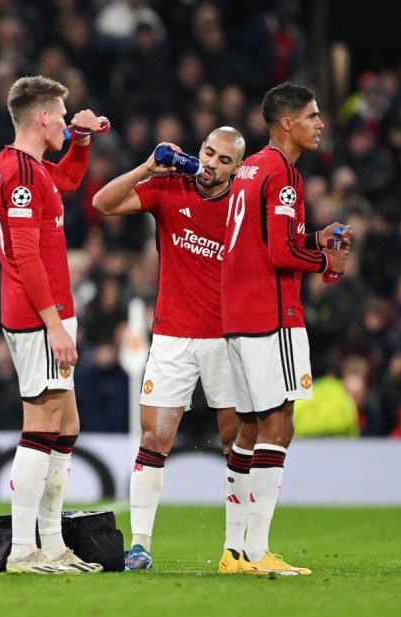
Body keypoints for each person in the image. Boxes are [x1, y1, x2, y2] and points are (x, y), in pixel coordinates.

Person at [93, 127, 256, 570]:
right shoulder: (169, 186)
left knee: (235, 441)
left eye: (224, 160)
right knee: (153, 440)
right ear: (198, 150)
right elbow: (102, 205)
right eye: (208, 153)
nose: (212, 163)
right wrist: (149, 166)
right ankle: (141, 546)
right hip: (172, 337)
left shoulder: (245, 203)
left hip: (228, 339)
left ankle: (235, 547)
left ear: (237, 167)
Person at [221, 82, 352, 575]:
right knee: (279, 422)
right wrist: (326, 259)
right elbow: (280, 254)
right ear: (287, 124)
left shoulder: (249, 169)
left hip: (237, 314)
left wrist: (314, 237)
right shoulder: (284, 173)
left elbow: (265, 239)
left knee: (250, 427)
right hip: (271, 314)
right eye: (313, 116)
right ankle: (257, 552)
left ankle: (234, 552)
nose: (320, 124)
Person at [0, 75, 107, 574]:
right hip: (38, 314)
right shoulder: (20, 174)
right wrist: (54, 325)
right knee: (41, 424)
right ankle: (22, 549)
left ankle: (53, 544)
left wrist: (80, 140)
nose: (65, 118)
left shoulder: (20, 166)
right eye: (61, 114)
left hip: (47, 311)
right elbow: (28, 257)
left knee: (67, 424)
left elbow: (70, 181)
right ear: (40, 117)